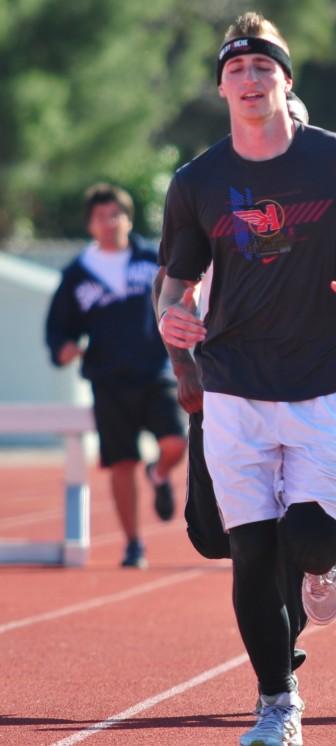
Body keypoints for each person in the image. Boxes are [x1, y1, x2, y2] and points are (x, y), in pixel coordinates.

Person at [156, 12, 336, 746]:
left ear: (286, 80)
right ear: (220, 86)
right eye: (236, 70)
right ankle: (278, 705)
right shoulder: (198, 180)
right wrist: (171, 320)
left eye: (263, 67)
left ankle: (325, 567)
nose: (249, 80)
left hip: (323, 380)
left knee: (308, 538)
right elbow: (174, 281)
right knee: (249, 551)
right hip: (235, 384)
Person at [152, 90, 315, 678]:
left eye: (292, 125)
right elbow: (168, 282)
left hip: (304, 388)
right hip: (222, 384)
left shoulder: (326, 200)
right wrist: (183, 364)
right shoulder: (216, 191)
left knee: (282, 526)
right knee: (211, 534)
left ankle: (281, 655)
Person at [45, 183, 186, 569]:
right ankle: (133, 544)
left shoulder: (153, 259)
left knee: (175, 443)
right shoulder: (78, 274)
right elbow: (59, 329)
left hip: (157, 372)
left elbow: (182, 296)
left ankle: (158, 474)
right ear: (90, 225)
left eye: (117, 215)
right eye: (101, 217)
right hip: (108, 380)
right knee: (121, 463)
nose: (110, 223)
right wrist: (64, 348)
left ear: (129, 218)